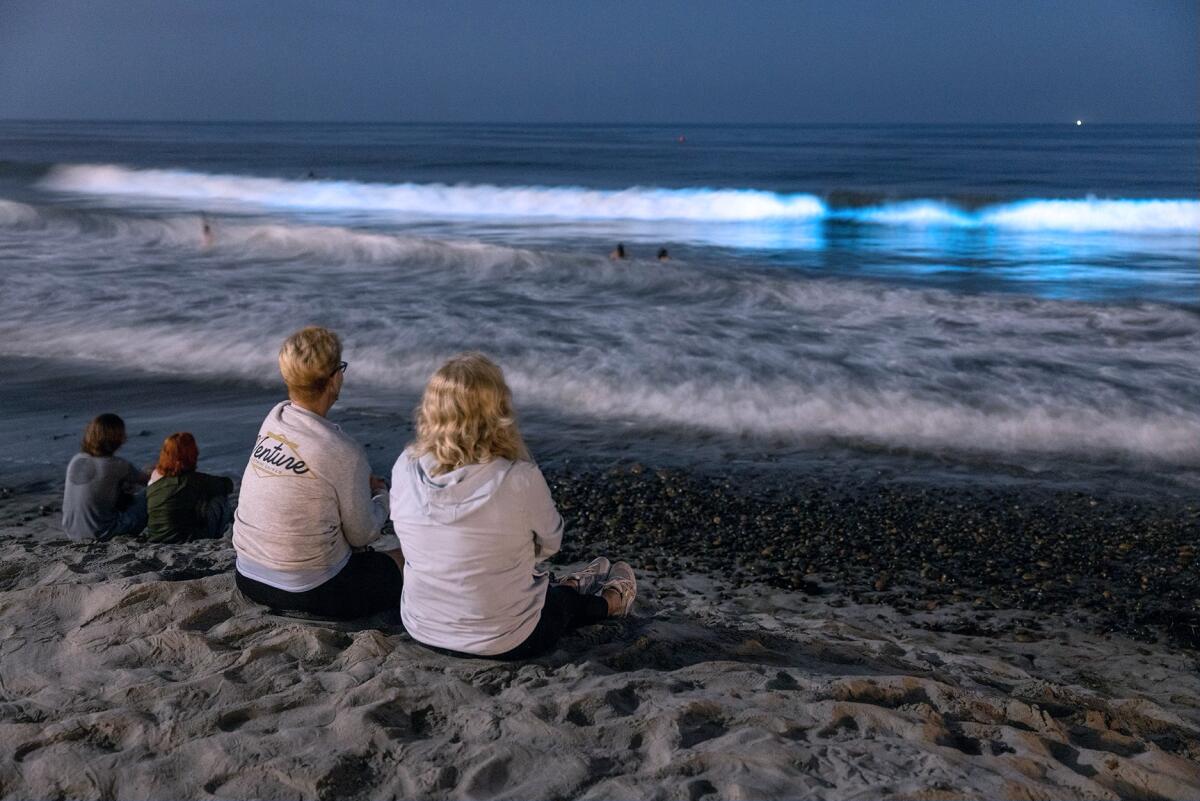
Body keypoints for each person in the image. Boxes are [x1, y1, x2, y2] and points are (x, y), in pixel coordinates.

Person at [389, 353, 636, 660]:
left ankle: (570, 583)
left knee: (513, 575)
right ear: (497, 410)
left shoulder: (405, 465)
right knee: (562, 606)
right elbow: (551, 543)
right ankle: (612, 601)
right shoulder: (517, 476)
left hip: (422, 627)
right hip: (503, 641)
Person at [232, 326, 402, 619]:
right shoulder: (344, 451)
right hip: (310, 590)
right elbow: (364, 534)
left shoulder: (273, 421)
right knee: (406, 560)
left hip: (247, 576)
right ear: (336, 378)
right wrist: (381, 496)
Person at [62, 413, 149, 541]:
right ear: (118, 438)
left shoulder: (77, 459)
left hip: (72, 532)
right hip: (103, 533)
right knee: (153, 492)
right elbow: (149, 480)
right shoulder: (116, 465)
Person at [145, 432, 235, 543]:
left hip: (155, 535)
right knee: (219, 498)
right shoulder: (193, 480)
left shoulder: (155, 476)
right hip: (184, 538)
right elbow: (228, 485)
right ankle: (222, 530)